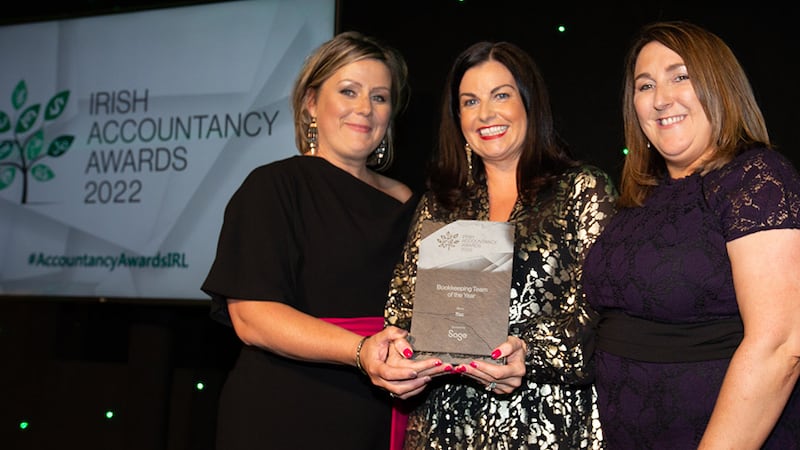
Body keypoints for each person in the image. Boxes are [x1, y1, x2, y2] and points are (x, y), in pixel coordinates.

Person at [201, 31, 437, 450]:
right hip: (286, 412)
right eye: (349, 91)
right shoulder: (272, 187)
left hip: (385, 414)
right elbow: (251, 317)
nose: (365, 108)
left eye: (380, 97)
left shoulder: (413, 203)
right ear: (311, 103)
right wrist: (361, 351)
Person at [384, 40, 618, 449]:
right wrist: (398, 358)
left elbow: (603, 320)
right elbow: (402, 309)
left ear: (530, 102)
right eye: (470, 101)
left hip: (547, 425)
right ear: (457, 116)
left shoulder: (582, 189)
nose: (486, 114)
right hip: (445, 425)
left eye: (501, 95)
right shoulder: (441, 203)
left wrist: (525, 352)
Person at [582, 21, 800, 449]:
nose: (661, 99)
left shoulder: (757, 179)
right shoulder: (642, 197)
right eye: (645, 86)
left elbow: (781, 346)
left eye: (680, 76)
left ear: (720, 86)